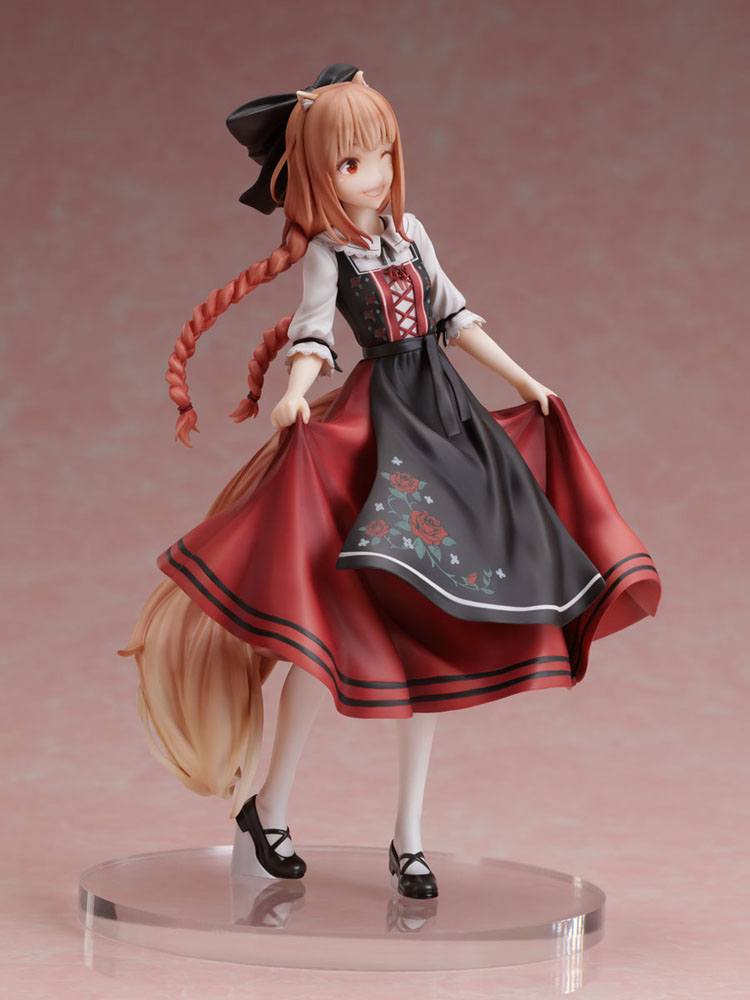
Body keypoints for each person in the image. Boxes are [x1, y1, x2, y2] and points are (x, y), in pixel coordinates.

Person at [119, 65, 661, 900]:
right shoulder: (330, 255)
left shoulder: (411, 235)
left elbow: (456, 317)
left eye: (381, 155)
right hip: (380, 432)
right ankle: (269, 809)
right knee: (323, 635)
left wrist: (525, 381)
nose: (373, 174)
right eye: (350, 163)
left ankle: (408, 836)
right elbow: (313, 336)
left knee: (441, 622)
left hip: (445, 422)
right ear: (317, 174)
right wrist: (296, 392)